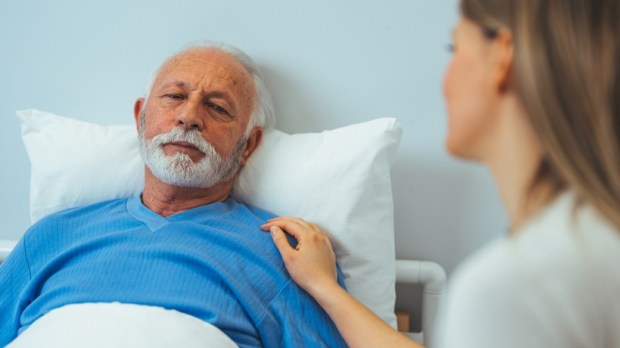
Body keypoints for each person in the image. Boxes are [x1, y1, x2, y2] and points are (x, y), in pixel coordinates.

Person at [262, 0, 620, 347]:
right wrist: (325, 287)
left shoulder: (510, 290)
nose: (444, 79)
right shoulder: (594, 240)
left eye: (454, 47)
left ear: (502, 59)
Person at [0, 43, 347, 348]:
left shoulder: (287, 255)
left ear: (248, 145)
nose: (188, 117)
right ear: (140, 118)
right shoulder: (50, 237)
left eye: (217, 107)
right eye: (175, 97)